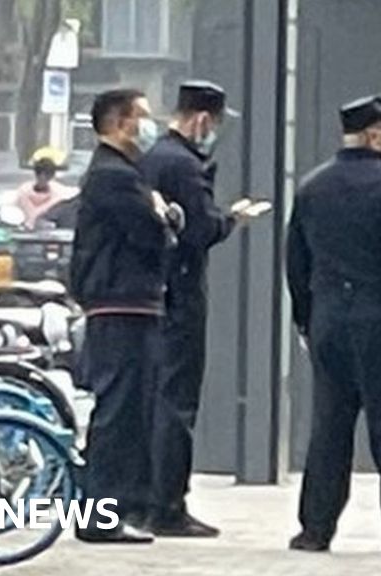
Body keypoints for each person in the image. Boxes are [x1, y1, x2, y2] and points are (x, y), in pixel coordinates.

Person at [286, 94, 381, 554]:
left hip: (329, 319)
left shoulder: (312, 187)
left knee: (329, 425)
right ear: (375, 134)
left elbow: (297, 262)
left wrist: (306, 319)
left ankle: (315, 528)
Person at [137, 80, 249, 537]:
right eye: (215, 123)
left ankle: (144, 499)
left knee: (154, 398)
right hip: (181, 293)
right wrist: (232, 218)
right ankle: (168, 505)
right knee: (177, 401)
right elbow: (200, 229)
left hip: (155, 288)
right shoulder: (185, 166)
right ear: (202, 120)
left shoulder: (152, 158)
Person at [70, 88, 176, 544]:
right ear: (118, 123)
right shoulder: (114, 176)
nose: (149, 126)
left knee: (131, 411)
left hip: (129, 303)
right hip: (121, 305)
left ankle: (116, 507)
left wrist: (164, 214)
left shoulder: (123, 173)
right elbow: (152, 232)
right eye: (142, 117)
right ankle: (100, 513)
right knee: (119, 412)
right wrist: (168, 218)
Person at [15, 146, 78, 229]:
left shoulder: (59, 193)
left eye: (46, 175)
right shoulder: (24, 191)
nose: (42, 178)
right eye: (39, 174)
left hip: (50, 234)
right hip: (26, 234)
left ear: (51, 176)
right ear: (36, 174)